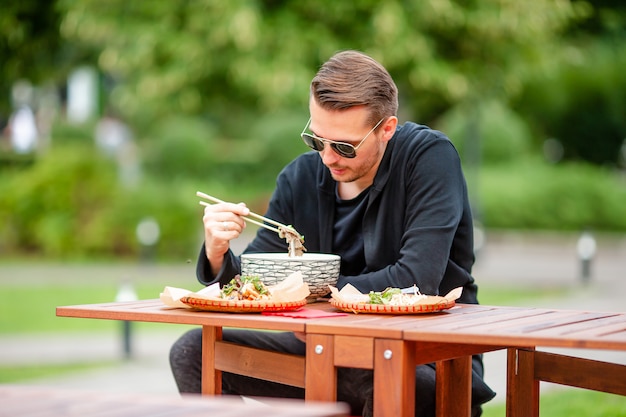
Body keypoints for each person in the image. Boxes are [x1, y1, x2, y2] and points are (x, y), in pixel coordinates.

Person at [170, 50, 496, 417]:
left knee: (400, 378)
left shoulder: (427, 158)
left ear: (387, 128)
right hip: (328, 351)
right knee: (193, 351)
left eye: (344, 146)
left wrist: (307, 295)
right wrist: (217, 252)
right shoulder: (300, 178)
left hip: (424, 355)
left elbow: (416, 279)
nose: (327, 158)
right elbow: (256, 280)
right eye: (316, 140)